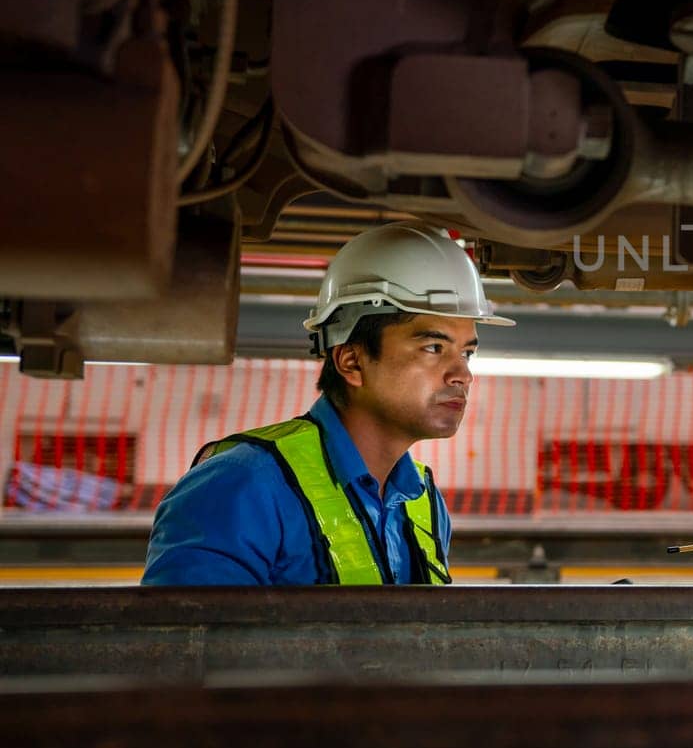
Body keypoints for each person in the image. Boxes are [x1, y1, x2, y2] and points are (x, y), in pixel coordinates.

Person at [142, 222, 513, 585]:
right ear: (351, 362)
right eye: (434, 348)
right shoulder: (241, 484)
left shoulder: (422, 500)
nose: (461, 374)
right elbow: (186, 643)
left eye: (467, 353)